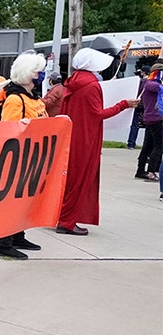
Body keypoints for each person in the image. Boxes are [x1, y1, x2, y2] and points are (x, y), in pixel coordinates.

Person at [55, 47, 140, 235]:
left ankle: (61, 216)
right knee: (80, 179)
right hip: (85, 137)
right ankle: (67, 221)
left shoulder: (74, 80)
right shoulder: (91, 84)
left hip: (72, 134)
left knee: (69, 178)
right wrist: (123, 104)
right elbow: (97, 114)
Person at [0, 52, 49, 260]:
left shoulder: (32, 97)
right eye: (37, 71)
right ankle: (3, 242)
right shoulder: (15, 99)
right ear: (27, 73)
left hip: (34, 155)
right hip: (19, 158)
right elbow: (9, 131)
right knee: (12, 201)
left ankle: (18, 235)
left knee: (25, 200)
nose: (41, 74)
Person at [133, 62, 162, 182]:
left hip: (149, 117)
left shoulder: (147, 84)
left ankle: (140, 170)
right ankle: (151, 171)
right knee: (159, 145)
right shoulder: (155, 86)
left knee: (147, 145)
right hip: (156, 117)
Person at [126, 68, 146, 149]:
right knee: (148, 127)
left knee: (134, 125)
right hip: (146, 106)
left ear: (143, 72)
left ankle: (131, 143)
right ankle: (146, 146)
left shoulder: (139, 82)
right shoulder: (152, 82)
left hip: (137, 104)